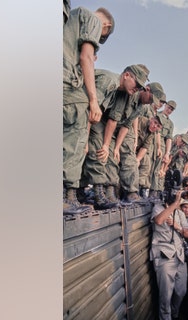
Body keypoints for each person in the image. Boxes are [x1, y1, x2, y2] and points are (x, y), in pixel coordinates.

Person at [63, 6, 114, 214]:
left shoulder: (73, 16)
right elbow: (86, 57)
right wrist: (93, 100)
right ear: (106, 26)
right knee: (76, 129)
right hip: (67, 82)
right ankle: (66, 196)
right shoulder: (92, 19)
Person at [79, 66, 148, 209]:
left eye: (141, 87)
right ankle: (93, 191)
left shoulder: (124, 92)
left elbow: (119, 122)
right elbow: (89, 109)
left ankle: (101, 191)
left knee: (108, 151)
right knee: (97, 149)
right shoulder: (110, 81)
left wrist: (112, 146)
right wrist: (85, 139)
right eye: (137, 85)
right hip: (82, 114)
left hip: (97, 120)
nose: (138, 89)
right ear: (127, 75)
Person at [150, 190, 188, 320]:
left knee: (181, 291)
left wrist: (177, 226)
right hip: (164, 256)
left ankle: (174, 314)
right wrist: (174, 204)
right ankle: (165, 318)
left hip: (180, 256)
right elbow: (158, 221)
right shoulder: (158, 208)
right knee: (165, 295)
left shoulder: (180, 213)